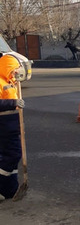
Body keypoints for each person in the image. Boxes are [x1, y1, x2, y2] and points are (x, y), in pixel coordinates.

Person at [0, 55, 25, 200]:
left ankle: (10, 189)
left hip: (12, 124)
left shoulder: (11, 82)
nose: (16, 72)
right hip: (3, 125)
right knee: (12, 155)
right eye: (14, 68)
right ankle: (2, 184)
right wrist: (13, 102)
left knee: (12, 158)